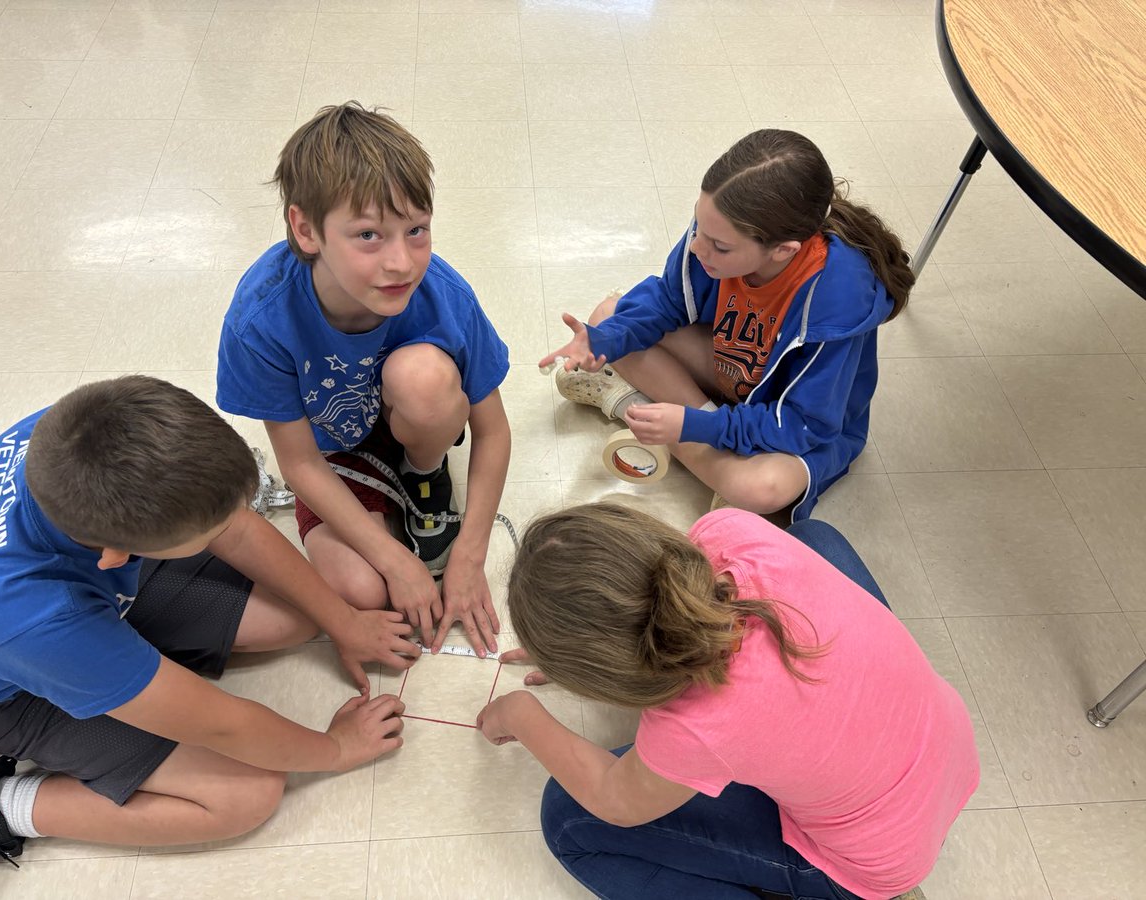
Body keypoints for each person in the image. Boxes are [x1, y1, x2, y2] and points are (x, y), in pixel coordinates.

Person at [0, 376, 416, 893]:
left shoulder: (81, 432)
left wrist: (344, 624)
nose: (226, 530)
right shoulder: (36, 620)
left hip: (64, 608)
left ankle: (127, 670)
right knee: (248, 793)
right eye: (207, 536)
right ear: (117, 554)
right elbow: (224, 726)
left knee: (301, 615)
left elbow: (233, 527)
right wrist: (336, 748)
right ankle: (2, 806)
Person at [478, 502, 978, 900]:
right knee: (816, 538)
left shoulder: (692, 727)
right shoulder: (731, 532)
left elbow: (615, 801)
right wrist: (591, 648)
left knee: (567, 819)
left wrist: (521, 716)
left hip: (873, 863)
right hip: (946, 747)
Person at [217, 102, 511, 657]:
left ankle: (423, 476)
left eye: (416, 230)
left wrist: (470, 555)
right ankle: (392, 507)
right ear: (306, 230)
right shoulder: (261, 318)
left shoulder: (444, 295)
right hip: (330, 453)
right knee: (360, 589)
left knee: (422, 378)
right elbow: (299, 462)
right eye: (369, 235)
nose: (401, 262)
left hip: (414, 415)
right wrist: (395, 561)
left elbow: (493, 430)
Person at [544, 129, 914, 524]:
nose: (698, 248)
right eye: (699, 229)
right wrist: (601, 341)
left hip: (790, 421)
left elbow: (803, 424)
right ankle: (701, 451)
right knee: (609, 316)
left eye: (720, 246)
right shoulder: (715, 234)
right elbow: (666, 302)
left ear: (783, 250)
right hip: (732, 379)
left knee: (763, 488)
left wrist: (694, 424)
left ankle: (631, 404)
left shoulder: (835, 301)